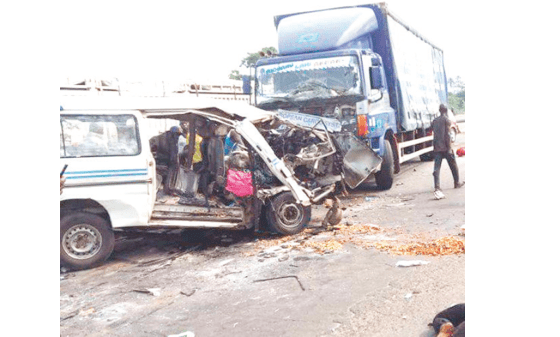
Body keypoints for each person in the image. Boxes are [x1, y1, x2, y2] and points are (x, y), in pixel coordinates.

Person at [432, 104, 464, 198]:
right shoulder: (447, 120)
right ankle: (456, 182)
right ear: (446, 111)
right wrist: (449, 148)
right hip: (446, 148)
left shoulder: (435, 121)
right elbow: (447, 135)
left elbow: (434, 133)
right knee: (453, 166)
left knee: (436, 168)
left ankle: (437, 187)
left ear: (439, 110)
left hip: (437, 148)